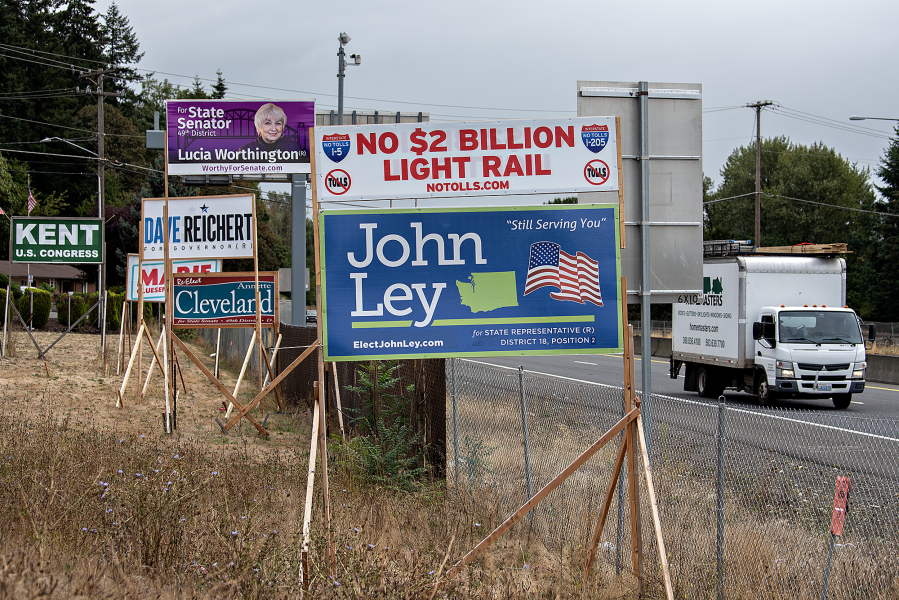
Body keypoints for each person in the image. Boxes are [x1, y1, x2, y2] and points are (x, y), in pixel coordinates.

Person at [238, 103, 303, 157]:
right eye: (267, 123)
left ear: (282, 127)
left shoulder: (294, 147)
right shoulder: (245, 150)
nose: (274, 129)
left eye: (278, 123)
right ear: (259, 127)